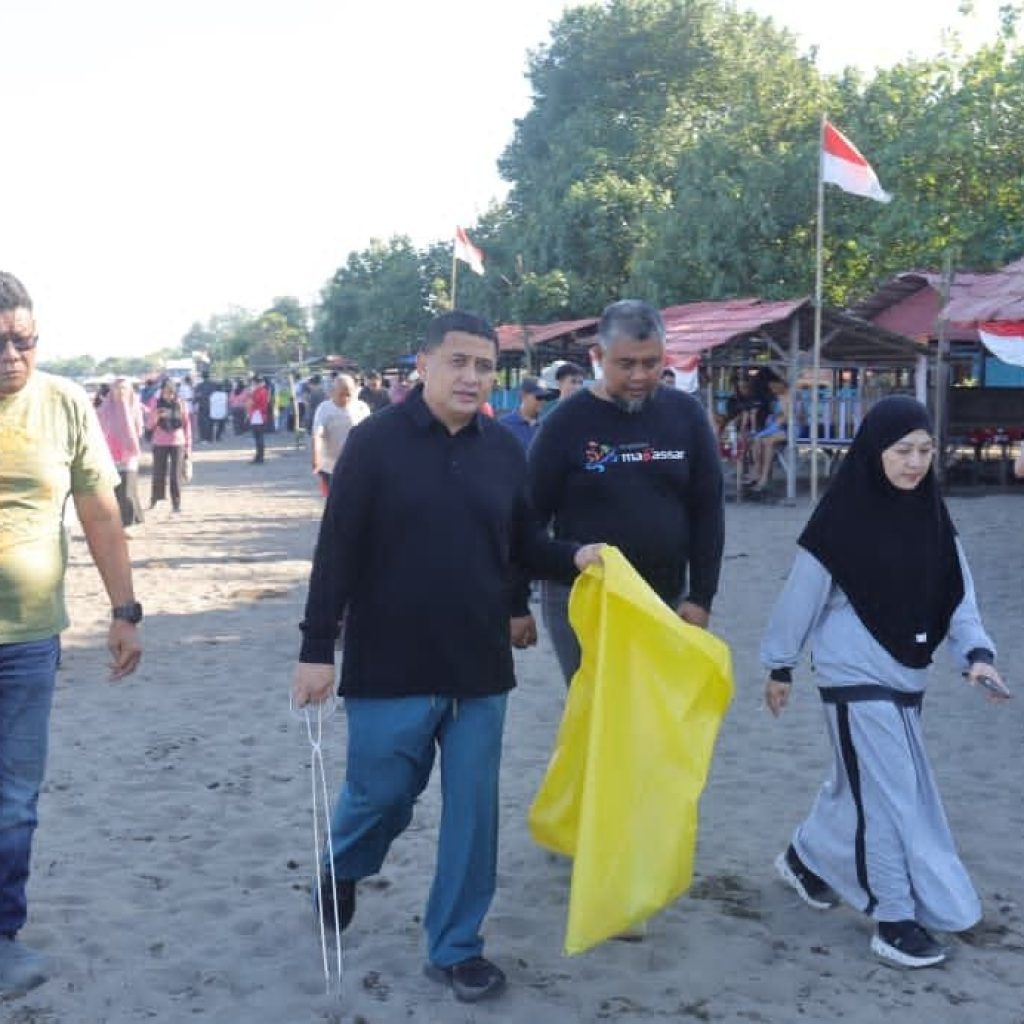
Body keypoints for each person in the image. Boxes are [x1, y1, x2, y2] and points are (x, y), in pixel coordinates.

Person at [291, 310, 602, 1005]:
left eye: (484, 366)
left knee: (472, 813)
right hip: (389, 660)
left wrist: (575, 556)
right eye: (458, 362)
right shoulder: (374, 444)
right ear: (424, 365)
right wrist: (316, 649)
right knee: (382, 795)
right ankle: (342, 867)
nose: (471, 376)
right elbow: (337, 549)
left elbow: (523, 543)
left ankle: (456, 947)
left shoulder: (505, 450)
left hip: (478, 666)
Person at [761, 396, 1010, 970]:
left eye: (925, 450)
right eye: (902, 451)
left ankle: (803, 859)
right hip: (852, 677)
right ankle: (894, 920)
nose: (915, 463)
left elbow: (959, 597)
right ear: (875, 451)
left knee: (861, 786)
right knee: (890, 796)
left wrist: (976, 655)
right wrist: (780, 665)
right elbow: (801, 597)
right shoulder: (838, 521)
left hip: (908, 676)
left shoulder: (934, 521)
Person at [0, 271, 142, 996]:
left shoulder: (62, 403)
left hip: (27, 642)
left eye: (24, 340)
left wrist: (124, 610)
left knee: (13, 801)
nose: (12, 356)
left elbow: (100, 512)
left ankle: (1, 935)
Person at [523, 298, 724, 678]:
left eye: (651, 363)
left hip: (666, 599)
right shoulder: (564, 424)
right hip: (584, 601)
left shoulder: (687, 416)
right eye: (626, 364)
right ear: (599, 357)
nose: (639, 376)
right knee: (599, 709)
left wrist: (701, 596)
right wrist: (523, 598)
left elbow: (708, 511)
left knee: (658, 709)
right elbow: (526, 520)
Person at [96, 377, 145, 535]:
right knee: (115, 491)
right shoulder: (104, 409)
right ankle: (121, 523)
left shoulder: (134, 406)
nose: (120, 391)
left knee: (128, 490)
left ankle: (129, 524)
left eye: (124, 388)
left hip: (129, 455)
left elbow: (140, 429)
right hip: (109, 455)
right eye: (117, 388)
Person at [311, 373, 370, 495]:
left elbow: (370, 435)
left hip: (357, 464)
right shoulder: (324, 409)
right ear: (333, 392)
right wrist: (316, 456)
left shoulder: (362, 408)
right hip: (330, 466)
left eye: (348, 395)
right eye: (341, 395)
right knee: (336, 498)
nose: (345, 398)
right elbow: (318, 434)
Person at [147, 378, 191, 511]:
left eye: (171, 392)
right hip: (159, 442)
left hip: (178, 441)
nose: (169, 395)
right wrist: (157, 416)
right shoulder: (155, 402)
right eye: (166, 392)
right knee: (158, 473)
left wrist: (188, 447)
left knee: (175, 474)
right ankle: (155, 499)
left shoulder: (181, 403)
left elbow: (186, 425)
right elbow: (149, 425)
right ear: (161, 391)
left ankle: (176, 503)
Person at [745, 371, 789, 492]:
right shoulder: (778, 397)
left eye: (774, 387)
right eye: (771, 388)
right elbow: (777, 418)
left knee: (767, 441)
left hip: (791, 428)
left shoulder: (791, 396)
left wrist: (763, 433)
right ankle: (757, 471)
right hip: (778, 427)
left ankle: (764, 477)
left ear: (781, 383)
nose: (773, 390)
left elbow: (786, 418)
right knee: (757, 440)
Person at [498, 377, 557, 450]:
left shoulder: (546, 428)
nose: (543, 401)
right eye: (539, 397)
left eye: (545, 397)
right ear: (523, 396)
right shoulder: (504, 425)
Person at [246, 376, 270, 464]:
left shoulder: (259, 391)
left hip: (257, 414)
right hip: (259, 414)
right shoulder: (263, 391)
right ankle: (259, 456)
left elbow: (253, 402)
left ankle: (259, 457)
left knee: (258, 437)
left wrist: (250, 394)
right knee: (259, 437)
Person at [193, 370, 216, 443]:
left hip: (202, 406)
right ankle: (210, 438)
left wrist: (194, 402)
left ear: (202, 376)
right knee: (210, 422)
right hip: (212, 406)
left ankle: (203, 438)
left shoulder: (199, 385)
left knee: (202, 423)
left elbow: (197, 396)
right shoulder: (214, 385)